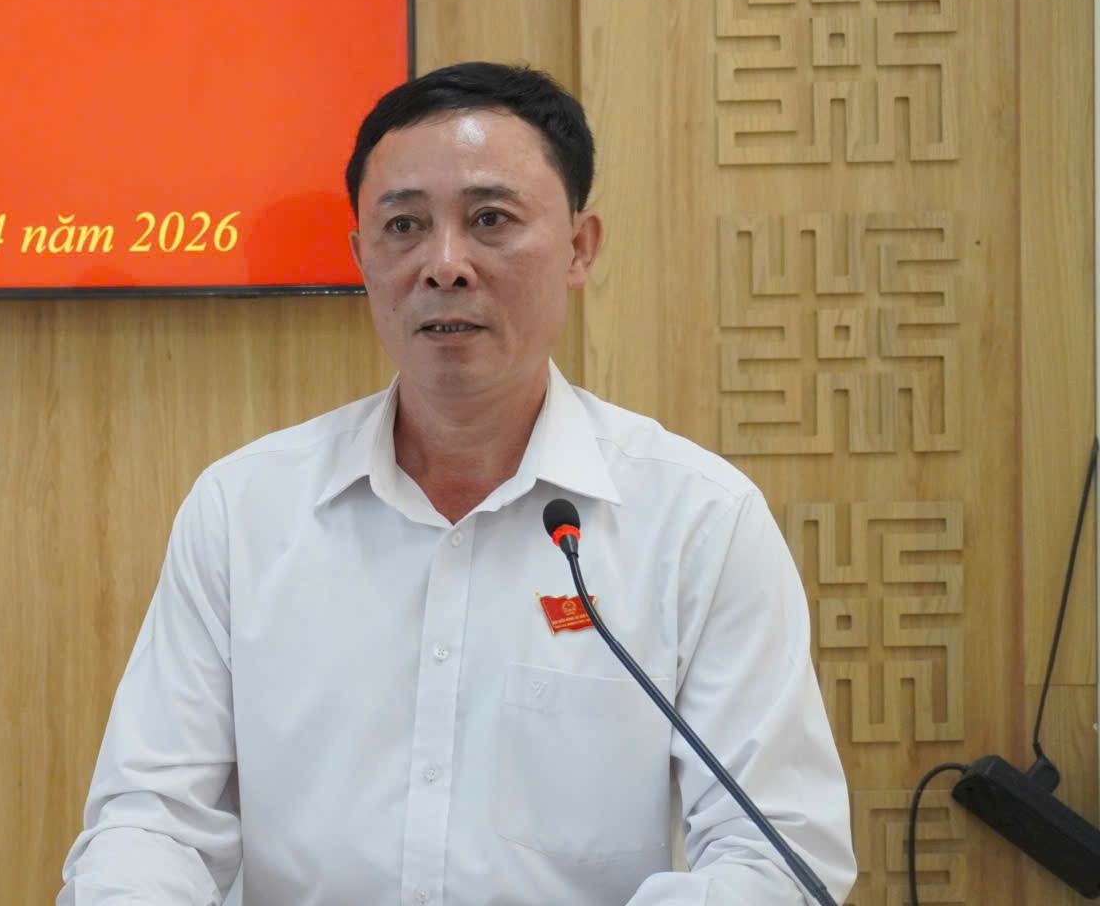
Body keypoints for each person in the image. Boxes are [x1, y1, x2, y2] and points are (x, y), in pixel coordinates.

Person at [57, 62, 856, 905]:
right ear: (361, 257)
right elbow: (152, 819)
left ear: (580, 247)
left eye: (490, 220)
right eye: (404, 226)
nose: (445, 265)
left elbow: (776, 856)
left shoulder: (698, 522)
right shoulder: (244, 510)